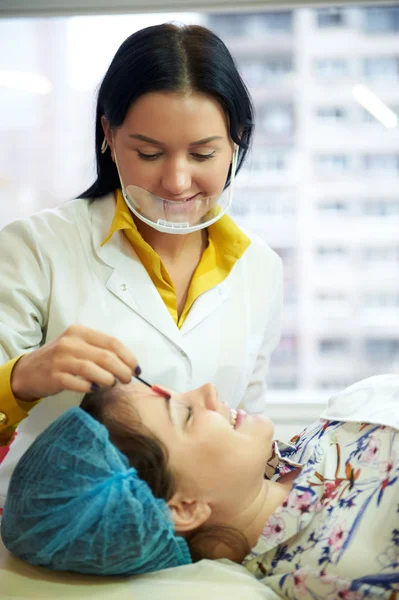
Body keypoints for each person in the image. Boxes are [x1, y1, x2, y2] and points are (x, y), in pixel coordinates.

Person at [0, 23, 283, 509]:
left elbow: (247, 420)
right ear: (108, 135)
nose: (176, 181)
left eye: (203, 153)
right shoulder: (35, 248)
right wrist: (23, 377)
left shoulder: (260, 268)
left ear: (237, 140)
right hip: (59, 532)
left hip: (192, 541)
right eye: (148, 152)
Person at [2, 375, 398, 599]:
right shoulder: (343, 573)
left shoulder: (302, 450)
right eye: (187, 414)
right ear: (184, 508)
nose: (209, 389)